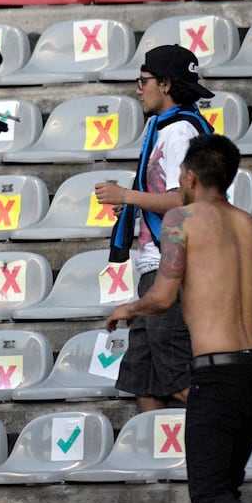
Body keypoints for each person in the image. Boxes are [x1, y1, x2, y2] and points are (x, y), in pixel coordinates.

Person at [107, 135, 252, 503]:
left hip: (217, 375)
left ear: (188, 177)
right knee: (224, 491)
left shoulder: (181, 218)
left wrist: (130, 307)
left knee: (206, 496)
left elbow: (162, 297)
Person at [95, 45, 214, 413]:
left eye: (143, 81)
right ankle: (161, 467)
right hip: (153, 264)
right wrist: (132, 201)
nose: (137, 88)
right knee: (143, 379)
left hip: (173, 266)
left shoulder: (179, 131)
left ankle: (228, 425)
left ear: (165, 84)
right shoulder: (160, 125)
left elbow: (185, 200)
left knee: (177, 378)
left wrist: (128, 194)